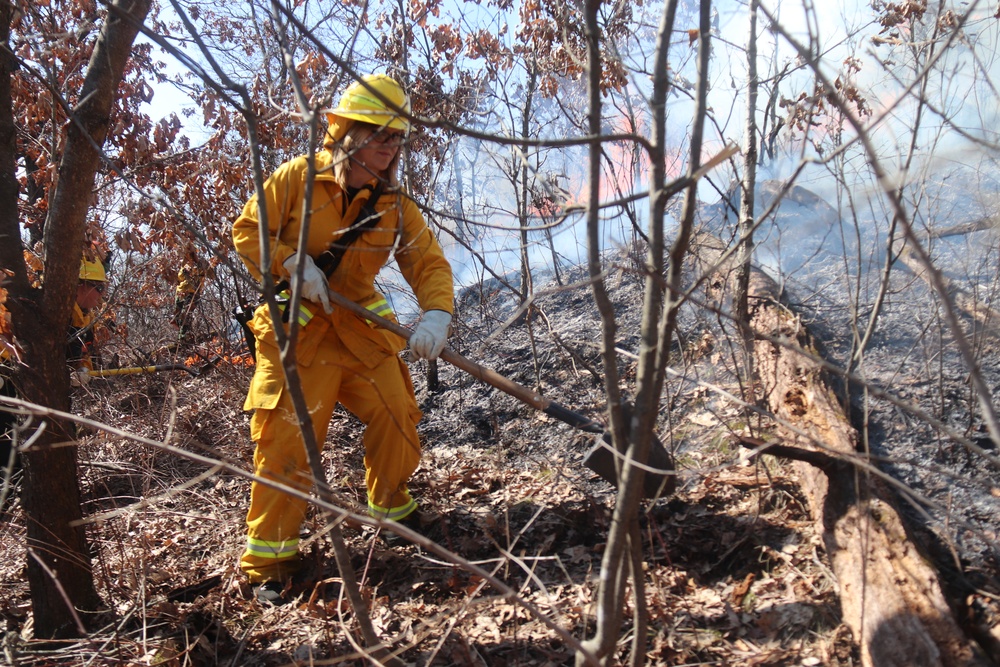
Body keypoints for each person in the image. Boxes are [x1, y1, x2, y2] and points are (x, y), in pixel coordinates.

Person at [231, 73, 454, 604]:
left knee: (397, 410)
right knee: (287, 440)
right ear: (348, 132)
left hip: (360, 333)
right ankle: (271, 562)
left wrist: (437, 313)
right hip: (299, 337)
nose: (391, 146)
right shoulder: (297, 179)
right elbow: (247, 231)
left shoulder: (393, 202)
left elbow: (426, 260)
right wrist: (288, 262)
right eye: (381, 134)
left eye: (398, 137)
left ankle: (390, 507)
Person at [172, 248, 208, 343]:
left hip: (192, 293)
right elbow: (180, 277)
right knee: (178, 316)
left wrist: (192, 271)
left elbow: (201, 277)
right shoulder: (184, 266)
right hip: (181, 293)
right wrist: (185, 271)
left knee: (186, 314)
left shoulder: (199, 266)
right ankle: (185, 335)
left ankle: (183, 337)